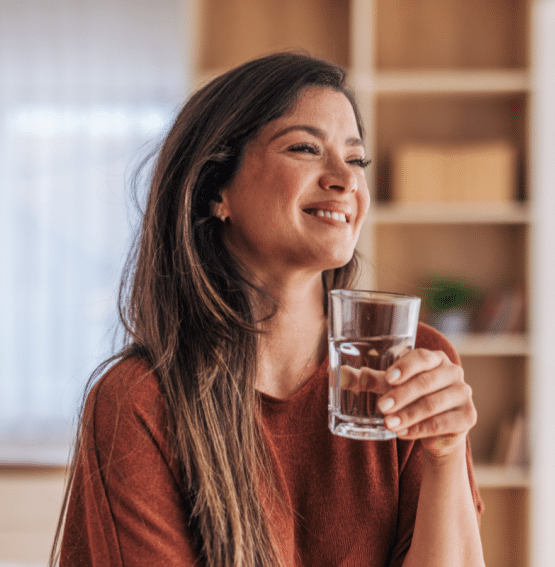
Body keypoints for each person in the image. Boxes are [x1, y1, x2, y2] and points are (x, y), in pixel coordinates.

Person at [52, 51, 485, 567]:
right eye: (305, 148)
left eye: (356, 159)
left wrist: (445, 453)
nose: (344, 179)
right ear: (216, 189)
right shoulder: (138, 401)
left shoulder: (415, 363)